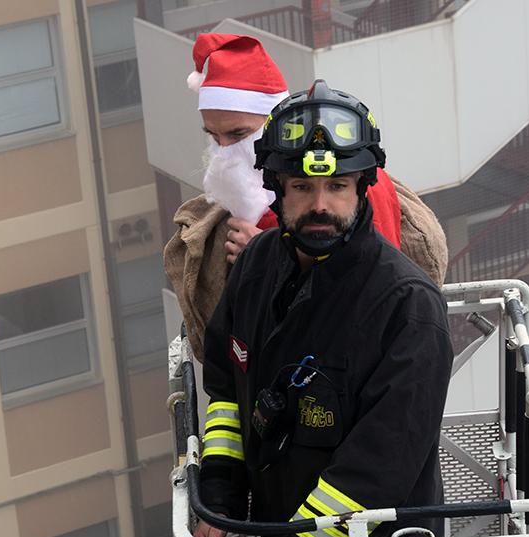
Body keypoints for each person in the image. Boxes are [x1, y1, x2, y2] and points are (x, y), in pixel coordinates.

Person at [184, 80, 454, 537]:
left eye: (337, 186)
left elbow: (376, 470)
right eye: (302, 187)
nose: (320, 204)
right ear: (276, 187)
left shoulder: (407, 308)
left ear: (364, 186)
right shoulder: (256, 268)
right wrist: (218, 500)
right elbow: (229, 390)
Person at [163, 33, 449, 362]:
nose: (224, 151)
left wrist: (267, 256)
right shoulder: (254, 195)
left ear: (273, 126)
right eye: (214, 136)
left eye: (238, 134)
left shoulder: (357, 184)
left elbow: (367, 281)